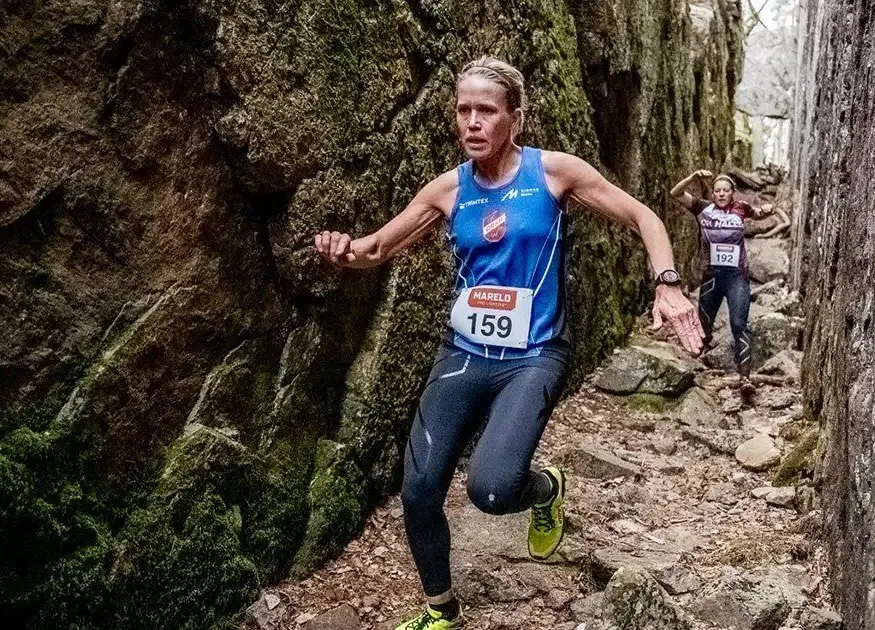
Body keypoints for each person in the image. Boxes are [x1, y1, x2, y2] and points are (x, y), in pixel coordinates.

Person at [312, 56, 703, 630]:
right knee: (419, 491)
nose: (472, 122)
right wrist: (344, 249)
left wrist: (667, 283)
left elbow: (643, 216)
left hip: (535, 355)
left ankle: (545, 489)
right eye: (463, 110)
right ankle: (440, 611)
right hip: (464, 352)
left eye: (486, 111)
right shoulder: (449, 190)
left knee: (492, 492)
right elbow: (375, 250)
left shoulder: (554, 173)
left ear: (514, 119)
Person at [669, 169, 773, 396]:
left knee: (738, 324)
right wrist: (693, 179)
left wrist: (767, 210)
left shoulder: (741, 208)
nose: (721, 194)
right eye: (717, 191)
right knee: (703, 329)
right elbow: (675, 193)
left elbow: (758, 213)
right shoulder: (703, 207)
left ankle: (745, 378)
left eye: (726, 191)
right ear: (713, 193)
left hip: (737, 276)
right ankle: (689, 375)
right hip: (712, 277)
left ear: (732, 193)